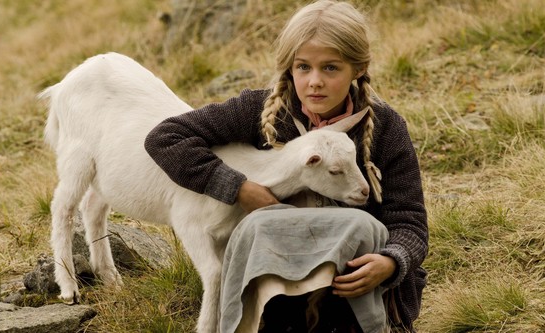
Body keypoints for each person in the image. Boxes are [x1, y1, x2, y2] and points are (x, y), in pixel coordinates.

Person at [144, 1, 428, 332]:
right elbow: (165, 138)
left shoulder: (386, 128)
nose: (315, 82)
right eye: (303, 67)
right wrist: (238, 189)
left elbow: (410, 222)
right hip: (277, 281)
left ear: (359, 68)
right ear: (289, 68)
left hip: (353, 283)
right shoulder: (259, 111)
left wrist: (391, 261)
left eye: (331, 68)